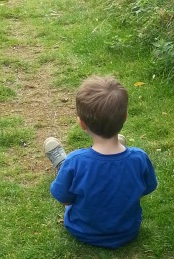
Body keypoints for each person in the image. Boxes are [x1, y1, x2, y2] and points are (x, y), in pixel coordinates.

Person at [44, 75, 157, 249]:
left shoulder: (76, 161)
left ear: (82, 124)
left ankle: (62, 166)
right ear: (125, 117)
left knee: (72, 171)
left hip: (81, 229)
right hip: (128, 230)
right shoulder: (139, 158)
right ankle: (116, 148)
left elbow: (63, 198)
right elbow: (147, 188)